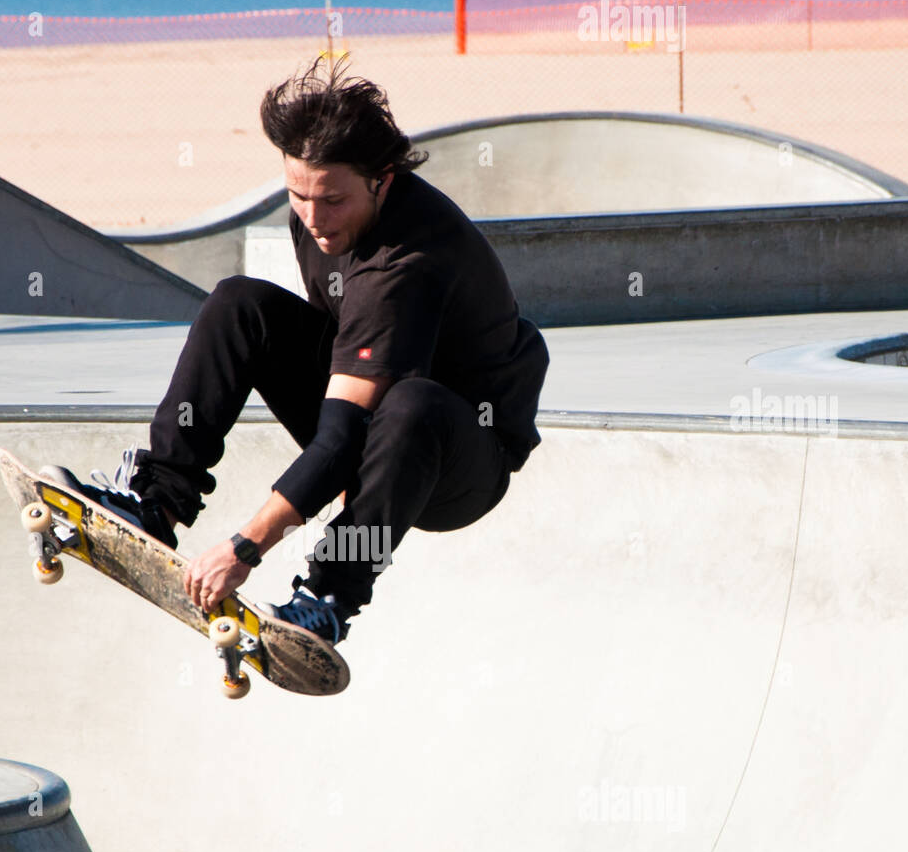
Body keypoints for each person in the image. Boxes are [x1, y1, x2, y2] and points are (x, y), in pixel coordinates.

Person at [43, 58, 548, 645]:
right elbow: (338, 391)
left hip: (458, 465)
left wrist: (246, 546)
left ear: (382, 180)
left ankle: (332, 593)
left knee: (413, 404)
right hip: (375, 430)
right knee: (240, 305)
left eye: (332, 201)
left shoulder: (407, 263)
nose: (313, 219)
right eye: (298, 195)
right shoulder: (316, 213)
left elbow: (339, 437)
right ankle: (157, 502)